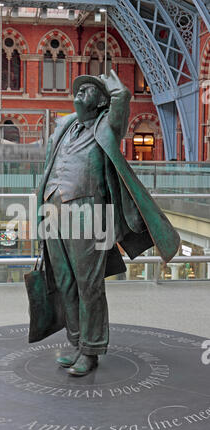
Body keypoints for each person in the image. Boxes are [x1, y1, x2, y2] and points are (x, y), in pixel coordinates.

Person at [36, 71, 180, 377]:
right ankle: (75, 343)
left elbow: (122, 100)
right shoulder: (64, 127)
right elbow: (49, 166)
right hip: (53, 211)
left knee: (89, 285)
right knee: (64, 282)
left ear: (101, 102)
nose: (80, 93)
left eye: (89, 91)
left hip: (90, 213)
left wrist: (116, 89)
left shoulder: (107, 127)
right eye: (79, 89)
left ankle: (91, 350)